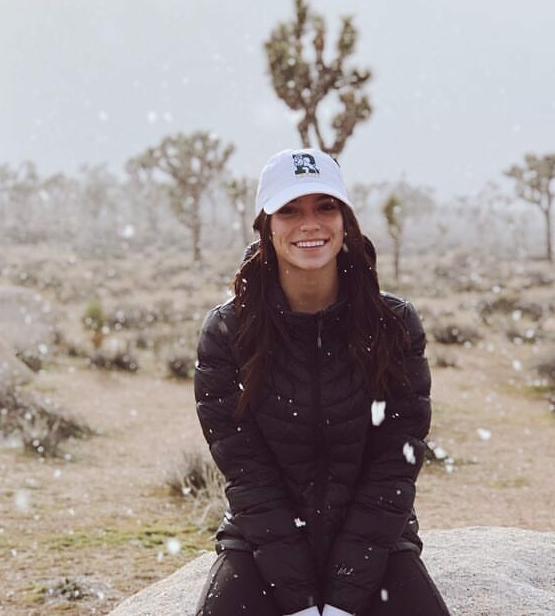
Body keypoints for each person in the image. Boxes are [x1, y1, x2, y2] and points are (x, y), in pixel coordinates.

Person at [193, 148, 450, 616]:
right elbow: (248, 474)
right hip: (260, 545)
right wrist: (300, 601)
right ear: (266, 227)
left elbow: (394, 466)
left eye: (325, 207)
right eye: (290, 210)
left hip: (376, 543)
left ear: (345, 221)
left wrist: (345, 596)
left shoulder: (393, 325)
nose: (309, 224)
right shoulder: (228, 332)